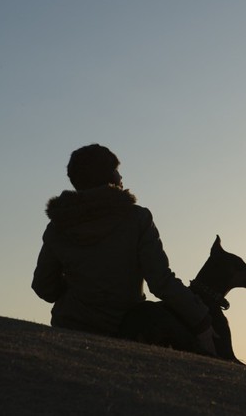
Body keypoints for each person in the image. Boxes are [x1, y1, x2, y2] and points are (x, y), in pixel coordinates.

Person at [32, 144, 216, 356]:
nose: (121, 177)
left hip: (70, 328)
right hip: (126, 329)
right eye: (117, 171)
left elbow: (43, 287)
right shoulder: (137, 218)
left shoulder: (58, 226)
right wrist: (202, 320)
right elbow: (161, 282)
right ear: (110, 176)